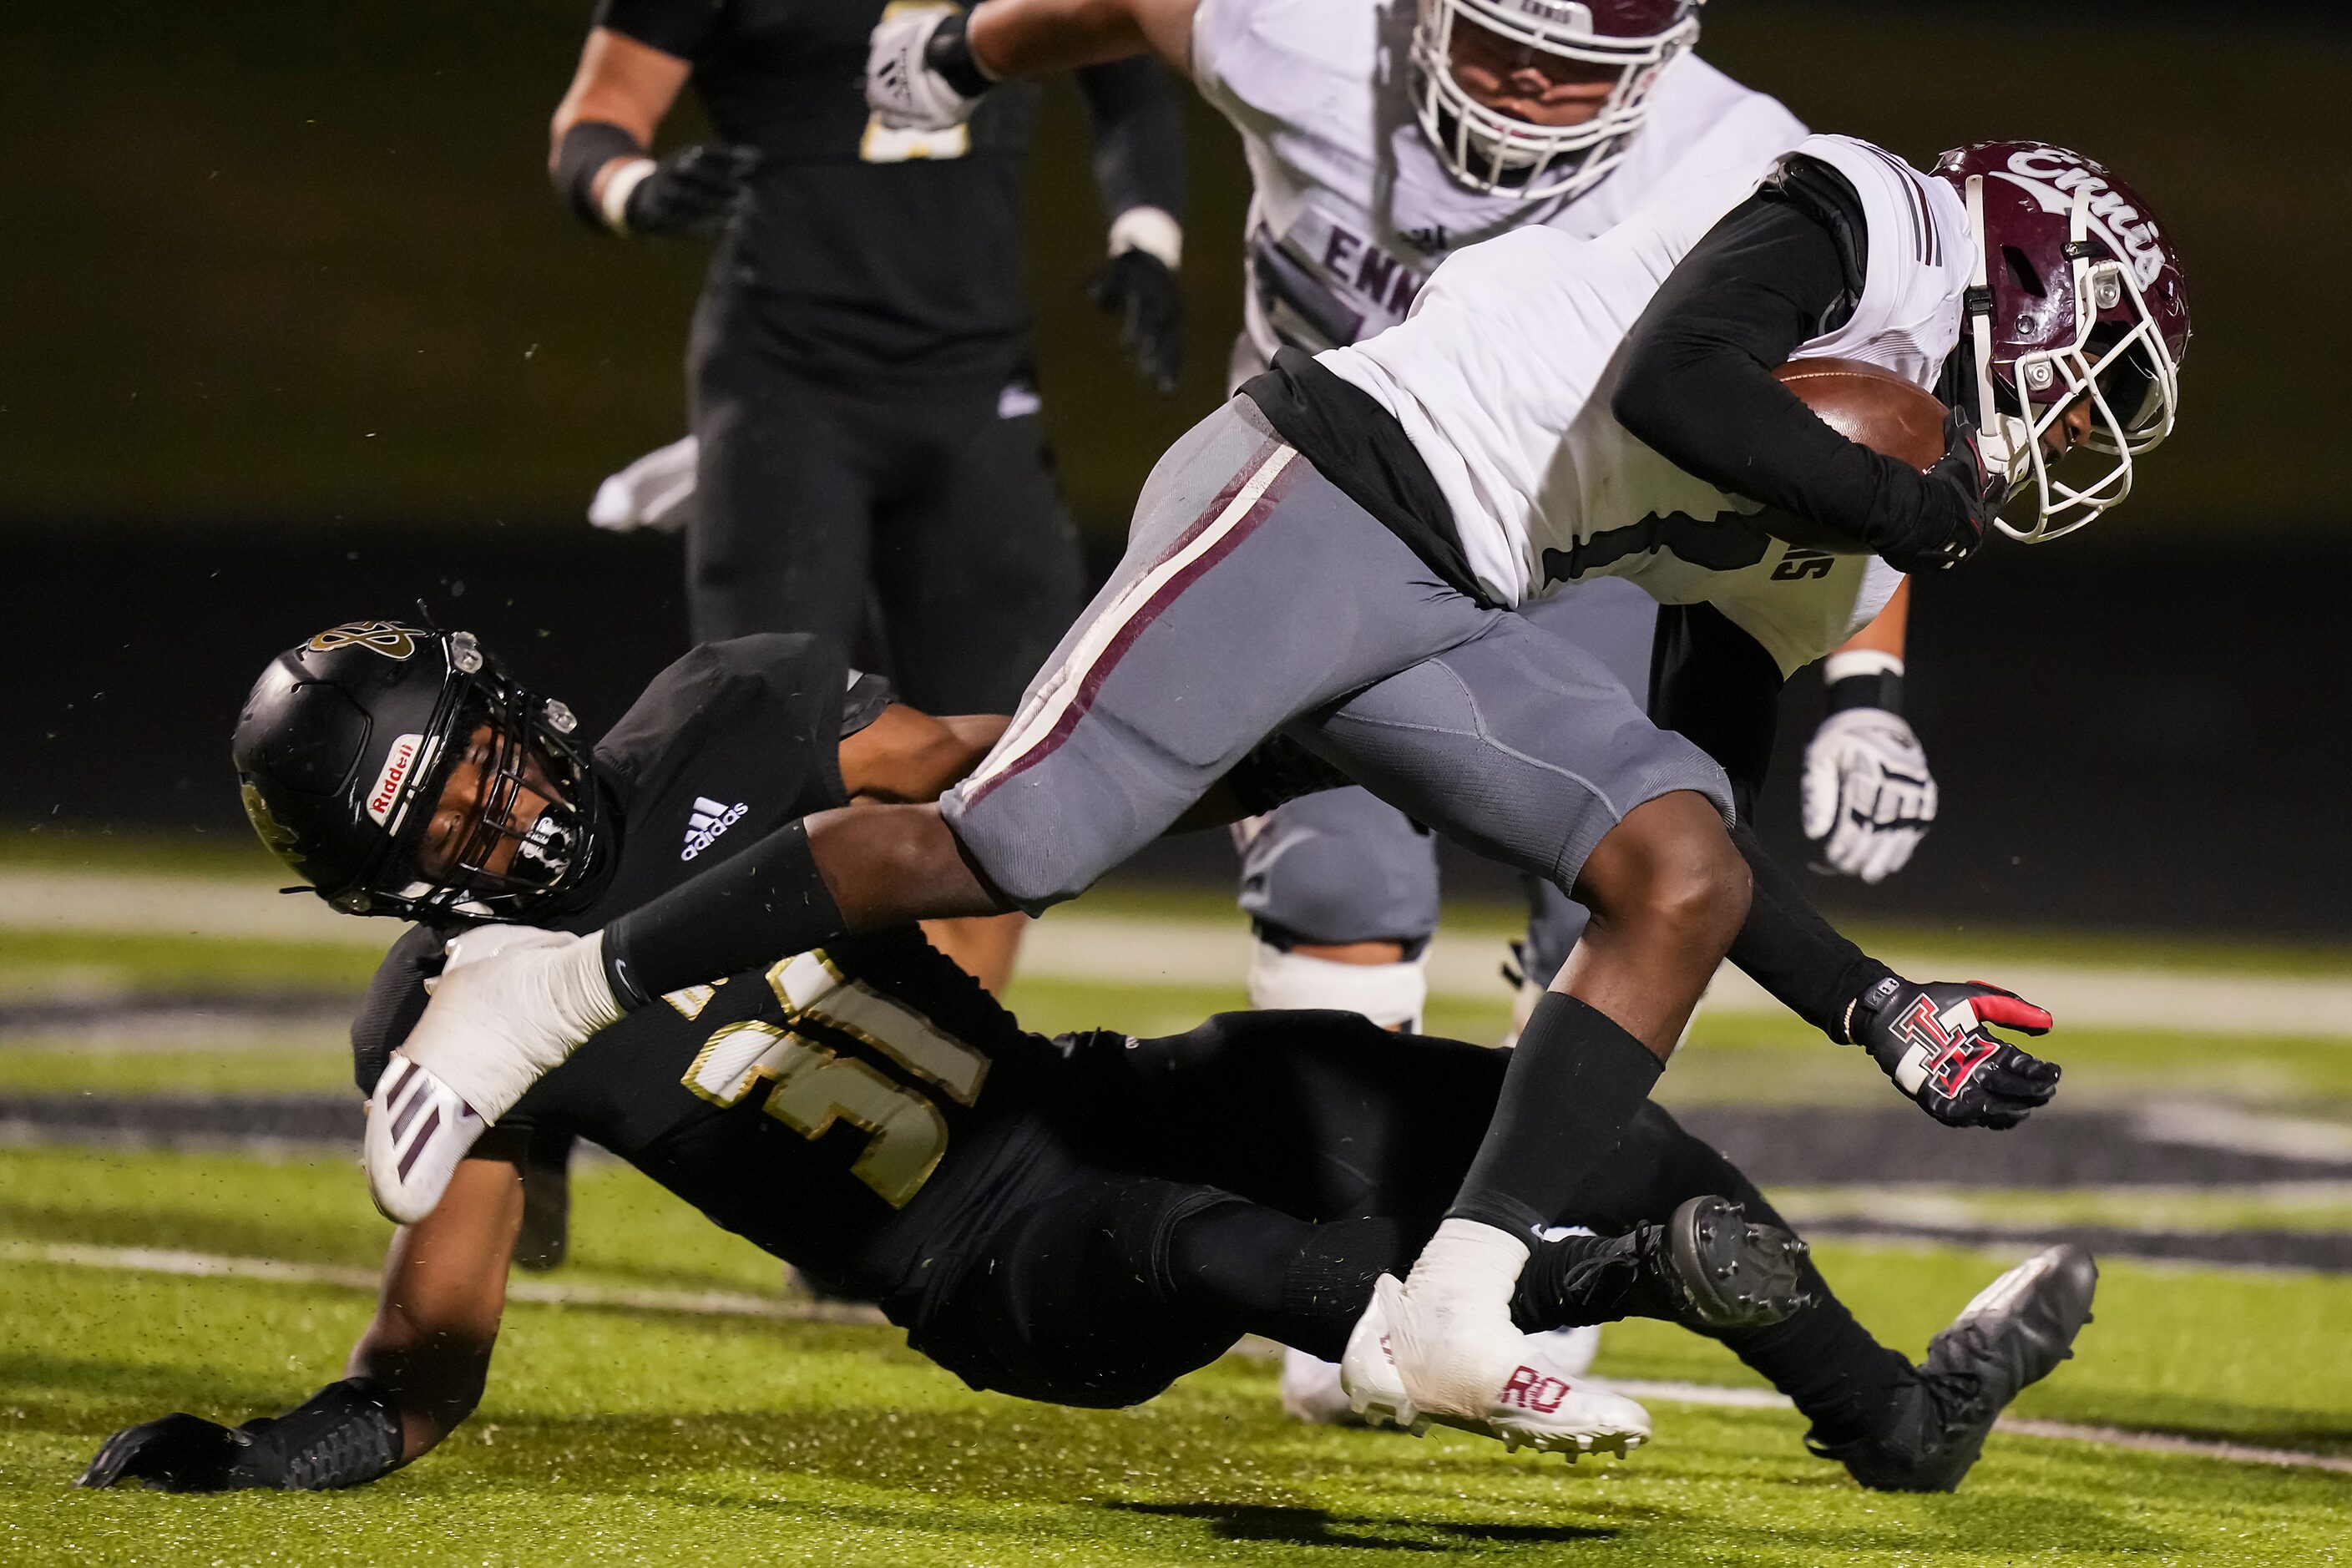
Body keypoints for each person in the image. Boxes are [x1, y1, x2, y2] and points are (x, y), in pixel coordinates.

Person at [359, 129, 2181, 1436]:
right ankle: (560, 984)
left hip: (1445, 583)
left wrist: (1881, 1012)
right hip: (1328, 487)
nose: (2077, 424)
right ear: (2017, 278)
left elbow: (1724, 636)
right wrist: (1895, 514)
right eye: (2087, 371)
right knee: (1012, 837)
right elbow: (1687, 386)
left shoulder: (1858, 377)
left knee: (1674, 872)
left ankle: (1476, 1298)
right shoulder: (1856, 207)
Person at [77, 621, 2093, 1493]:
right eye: (420, 833)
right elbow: (430, 1351)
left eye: (473, 769)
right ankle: (1535, 1314)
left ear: (506, 702)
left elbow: (1005, 762)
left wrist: (1281, 725)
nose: (482, 824)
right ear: (376, 889)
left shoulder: (720, 729)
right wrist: (273, 1454)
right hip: (984, 1271)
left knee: (1478, 1109)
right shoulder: (443, 1037)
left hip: (1070, 1090)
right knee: (1202, 1241)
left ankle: (1881, 1409)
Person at [867, 0, 1940, 1065]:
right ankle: (1321, 1209)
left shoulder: (1739, 157)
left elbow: (1850, 437)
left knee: (1650, 885)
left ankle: (1520, 1209)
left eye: (1565, 63)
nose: (1523, 81)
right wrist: (967, 51)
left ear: (1659, 64)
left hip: (1579, 546)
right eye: (1500, 40)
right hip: (1319, 503)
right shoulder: (1315, 42)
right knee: (1338, 885)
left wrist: (1867, 693)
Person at [550, 0, 1191, 990]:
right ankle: (746, 1054)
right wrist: (634, 188)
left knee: (1011, 755)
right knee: (761, 744)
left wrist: (1148, 237)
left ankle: (943, 1062)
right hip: (788, 382)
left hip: (978, 384)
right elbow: (596, 117)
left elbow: (1132, 76)